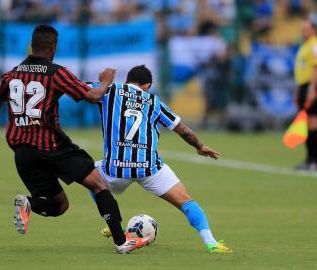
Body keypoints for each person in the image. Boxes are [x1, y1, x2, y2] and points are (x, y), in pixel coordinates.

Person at [0, 25, 148, 254]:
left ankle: (30, 203)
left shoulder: (13, 73)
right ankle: (121, 242)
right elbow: (92, 96)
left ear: (32, 45)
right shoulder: (56, 72)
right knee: (99, 185)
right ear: (53, 46)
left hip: (22, 152)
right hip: (52, 146)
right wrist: (105, 81)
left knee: (60, 205)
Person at [93, 65, 232, 253]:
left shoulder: (111, 91)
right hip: (149, 168)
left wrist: (103, 82)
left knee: (90, 176)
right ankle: (211, 242)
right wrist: (199, 146)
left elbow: (81, 89)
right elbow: (182, 129)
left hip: (114, 169)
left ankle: (113, 224)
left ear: (127, 81)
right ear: (148, 85)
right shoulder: (154, 101)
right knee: (187, 202)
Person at [294, 19, 317, 171]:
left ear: (313, 30)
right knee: (305, 124)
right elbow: (302, 69)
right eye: (302, 28)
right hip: (303, 86)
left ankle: (316, 161)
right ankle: (309, 159)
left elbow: (316, 68)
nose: (303, 31)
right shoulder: (305, 45)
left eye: (306, 28)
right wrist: (298, 90)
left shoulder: (314, 45)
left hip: (311, 86)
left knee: (312, 123)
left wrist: (312, 89)